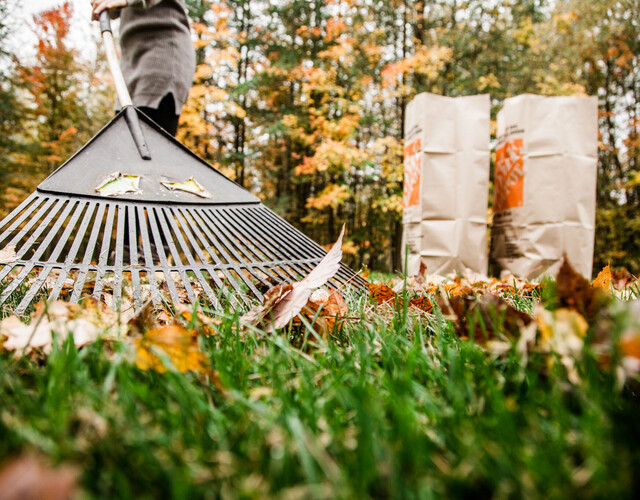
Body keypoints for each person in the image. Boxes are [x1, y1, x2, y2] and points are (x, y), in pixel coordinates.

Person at [91, 0, 195, 136]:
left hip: (162, 54)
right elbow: (113, 9)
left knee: (151, 142)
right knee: (125, 138)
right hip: (129, 59)